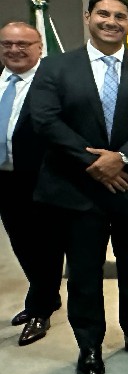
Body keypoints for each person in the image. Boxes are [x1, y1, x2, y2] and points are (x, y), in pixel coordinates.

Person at [31, 0, 128, 374]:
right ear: (88, 17)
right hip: (76, 189)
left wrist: (121, 158)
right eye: (103, 14)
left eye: (120, 16)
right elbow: (45, 119)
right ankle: (89, 345)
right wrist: (93, 163)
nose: (111, 21)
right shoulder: (56, 67)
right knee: (84, 272)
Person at [0, 22, 64, 346]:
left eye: (23, 44)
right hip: (4, 178)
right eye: (7, 44)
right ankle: (45, 295)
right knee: (20, 243)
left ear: (39, 47)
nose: (15, 50)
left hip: (42, 178)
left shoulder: (53, 83)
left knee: (46, 246)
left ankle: (41, 308)